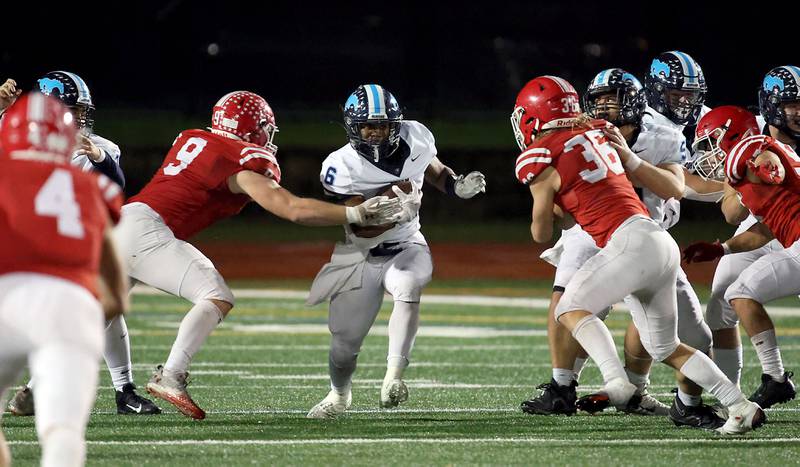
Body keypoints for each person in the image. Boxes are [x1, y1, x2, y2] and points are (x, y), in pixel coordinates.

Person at [115, 90, 403, 420]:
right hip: (148, 231)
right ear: (257, 129)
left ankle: (41, 383)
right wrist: (355, 215)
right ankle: (171, 375)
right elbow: (292, 209)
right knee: (215, 296)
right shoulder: (240, 160)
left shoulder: (197, 141)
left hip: (125, 222)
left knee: (98, 316)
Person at [513, 75, 763, 435]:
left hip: (626, 242)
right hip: (658, 240)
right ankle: (739, 405)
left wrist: (545, 201)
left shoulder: (540, 157)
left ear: (532, 118)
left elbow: (540, 234)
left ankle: (617, 382)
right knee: (664, 345)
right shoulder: (598, 133)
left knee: (569, 307)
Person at [306, 84, 486, 418]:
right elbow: (359, 226)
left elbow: (433, 171)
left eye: (383, 125)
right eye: (368, 126)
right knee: (344, 344)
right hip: (359, 253)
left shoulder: (416, 136)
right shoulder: (340, 165)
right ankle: (338, 395)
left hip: (407, 245)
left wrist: (455, 186)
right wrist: (395, 211)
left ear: (397, 124)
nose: (375, 133)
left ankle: (393, 377)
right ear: (352, 127)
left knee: (407, 284)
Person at [0, 72, 159, 416]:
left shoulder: (99, 148)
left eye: (82, 111)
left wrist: (99, 158)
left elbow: (115, 190)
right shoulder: (12, 133)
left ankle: (123, 390)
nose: (81, 119)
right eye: (73, 111)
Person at [0, 93, 128, 466]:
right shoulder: (90, 186)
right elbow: (113, 282)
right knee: (63, 431)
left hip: (8, 298)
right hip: (72, 305)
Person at [684, 91, 800, 409]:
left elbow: (767, 159)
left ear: (731, 134)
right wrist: (722, 248)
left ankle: (775, 379)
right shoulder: (747, 161)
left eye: (711, 143)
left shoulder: (749, 150)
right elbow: (764, 229)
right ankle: (751, 386)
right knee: (732, 293)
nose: (708, 154)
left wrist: (767, 168)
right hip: (791, 239)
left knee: (742, 291)